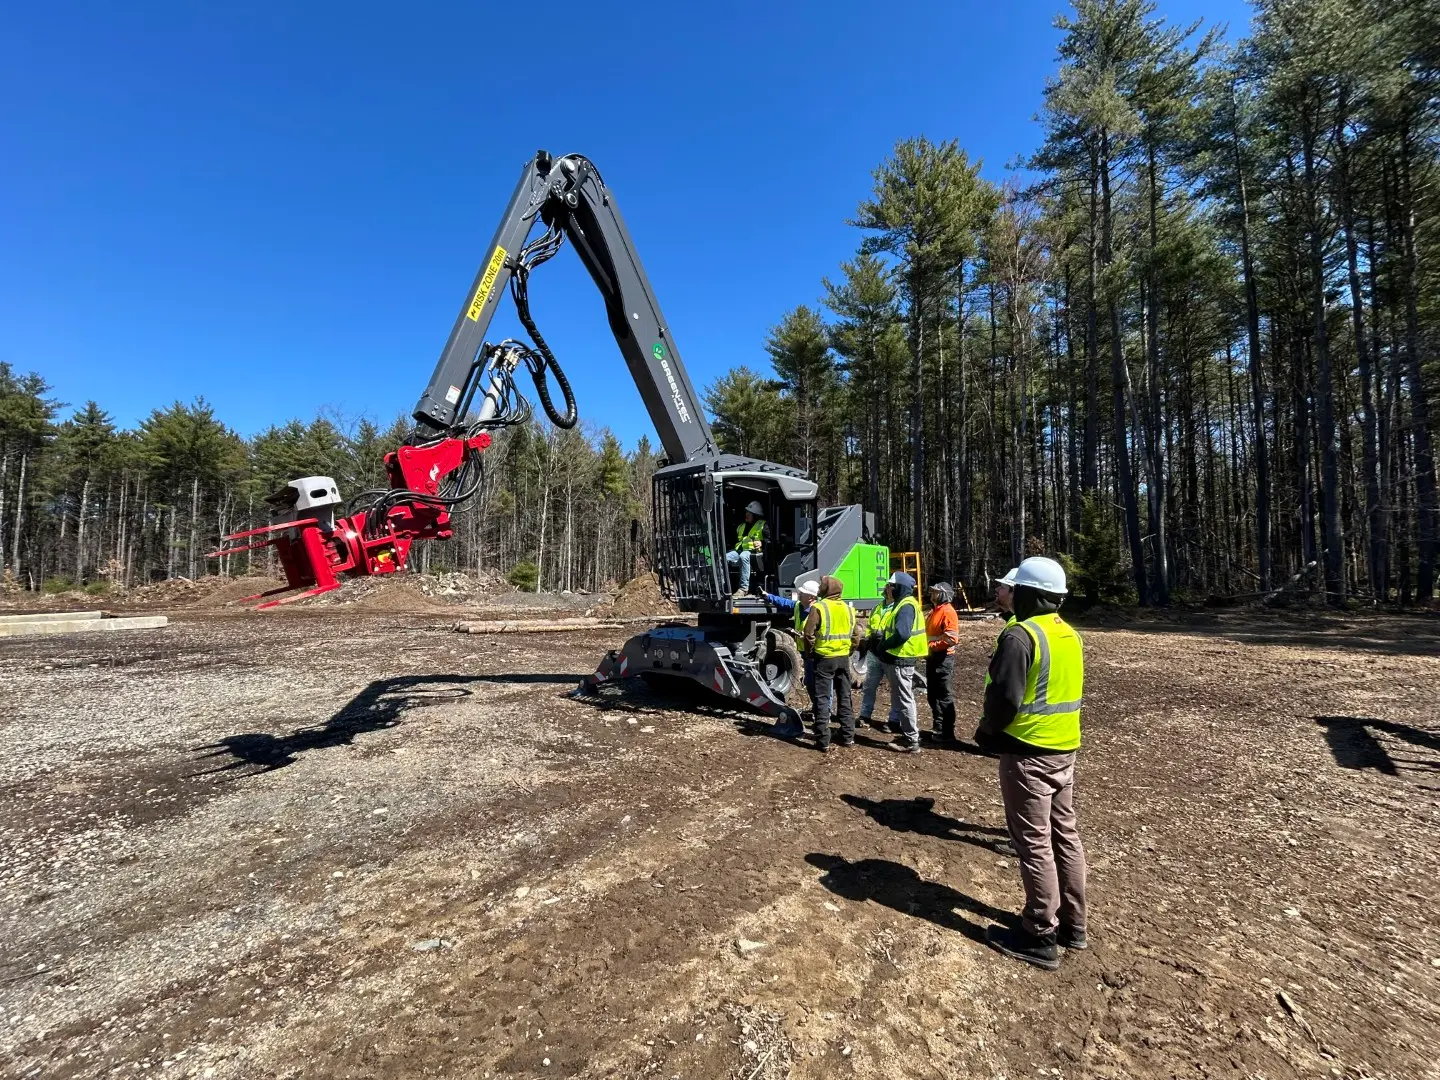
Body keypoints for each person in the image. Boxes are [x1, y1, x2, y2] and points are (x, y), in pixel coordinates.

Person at [976, 556, 1087, 972]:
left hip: (1027, 753)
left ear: (1030, 594)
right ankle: (1073, 926)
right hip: (1064, 750)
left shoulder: (1021, 636)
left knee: (1034, 843)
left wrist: (988, 732)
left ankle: (1039, 933)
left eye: (1016, 588)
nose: (1010, 594)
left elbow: (1005, 697)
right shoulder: (1069, 635)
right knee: (1066, 836)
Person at [869, 571, 926, 753]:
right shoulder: (902, 604)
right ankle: (909, 735)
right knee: (901, 696)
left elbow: (902, 634)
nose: (889, 589)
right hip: (898, 658)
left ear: (899, 587)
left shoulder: (906, 606)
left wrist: (884, 645)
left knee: (904, 698)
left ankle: (911, 740)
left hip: (902, 658)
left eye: (892, 586)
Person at [801, 575, 860, 751]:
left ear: (826, 589)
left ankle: (823, 739)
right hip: (843, 659)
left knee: (822, 698)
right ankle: (848, 736)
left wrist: (811, 653)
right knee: (845, 697)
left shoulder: (819, 607)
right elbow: (856, 636)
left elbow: (808, 634)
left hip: (824, 658)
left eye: (822, 586)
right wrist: (848, 651)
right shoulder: (848, 609)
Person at [764, 578, 820, 737]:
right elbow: (784, 603)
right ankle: (817, 709)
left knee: (820, 685)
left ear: (811, 597)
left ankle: (823, 713)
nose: (799, 594)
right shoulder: (798, 606)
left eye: (802, 593)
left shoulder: (818, 611)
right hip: (806, 653)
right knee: (810, 683)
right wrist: (768, 596)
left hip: (816, 654)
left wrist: (805, 636)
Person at [923, 582, 961, 743]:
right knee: (933, 695)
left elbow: (952, 639)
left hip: (943, 658)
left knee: (943, 695)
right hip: (933, 657)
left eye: (936, 592)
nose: (932, 594)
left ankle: (946, 731)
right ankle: (938, 726)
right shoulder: (935, 611)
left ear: (943, 594)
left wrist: (931, 647)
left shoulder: (947, 612)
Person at [858, 583, 895, 730]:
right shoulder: (878, 607)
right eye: (887, 587)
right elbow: (869, 626)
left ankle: (894, 720)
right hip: (874, 652)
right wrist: (868, 640)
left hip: (889, 652)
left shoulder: (898, 608)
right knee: (868, 686)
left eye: (891, 588)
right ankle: (865, 715)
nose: (888, 590)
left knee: (895, 688)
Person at [725, 501, 767, 597]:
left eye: (749, 513)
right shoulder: (741, 526)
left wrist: (761, 543)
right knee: (723, 558)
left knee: (744, 556)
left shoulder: (763, 525)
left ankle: (743, 589)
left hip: (753, 553)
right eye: (746, 512)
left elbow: (769, 540)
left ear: (755, 515)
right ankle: (724, 586)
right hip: (739, 551)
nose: (747, 514)